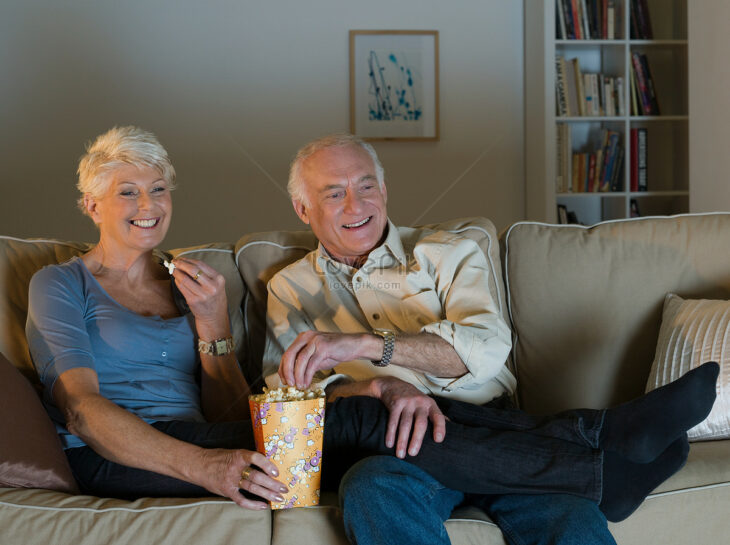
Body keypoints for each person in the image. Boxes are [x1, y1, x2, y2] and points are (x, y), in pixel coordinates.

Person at [27, 126, 716, 527]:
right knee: (367, 447)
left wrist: (212, 326)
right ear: (90, 202)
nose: (147, 205)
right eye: (127, 191)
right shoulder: (61, 282)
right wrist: (206, 465)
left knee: (369, 419)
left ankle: (597, 456)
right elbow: (84, 411)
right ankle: (599, 448)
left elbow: (227, 411)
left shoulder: (188, 284)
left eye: (157, 189)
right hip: (138, 451)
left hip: (462, 416)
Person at [262, 133, 719, 544]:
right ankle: (597, 447)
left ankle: (595, 457)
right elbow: (289, 395)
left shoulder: (447, 252)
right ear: (304, 210)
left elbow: (482, 349)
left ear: (383, 190)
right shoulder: (289, 288)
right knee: (371, 486)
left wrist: (366, 345)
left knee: (571, 520)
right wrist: (381, 386)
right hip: (397, 447)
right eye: (334, 193)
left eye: (365, 186)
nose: (355, 205)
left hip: (486, 418)